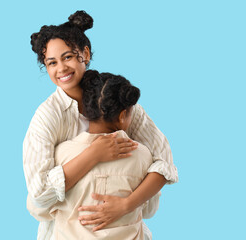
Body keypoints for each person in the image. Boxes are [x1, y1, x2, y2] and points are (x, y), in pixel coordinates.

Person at [23, 10, 178, 240]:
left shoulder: (114, 96)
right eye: (51, 63)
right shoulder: (47, 116)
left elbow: (164, 163)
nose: (61, 69)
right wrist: (93, 155)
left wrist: (126, 205)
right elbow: (39, 193)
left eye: (67, 57)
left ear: (84, 54)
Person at [28, 70, 163, 240]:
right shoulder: (143, 157)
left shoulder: (62, 154)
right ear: (122, 116)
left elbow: (38, 209)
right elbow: (150, 210)